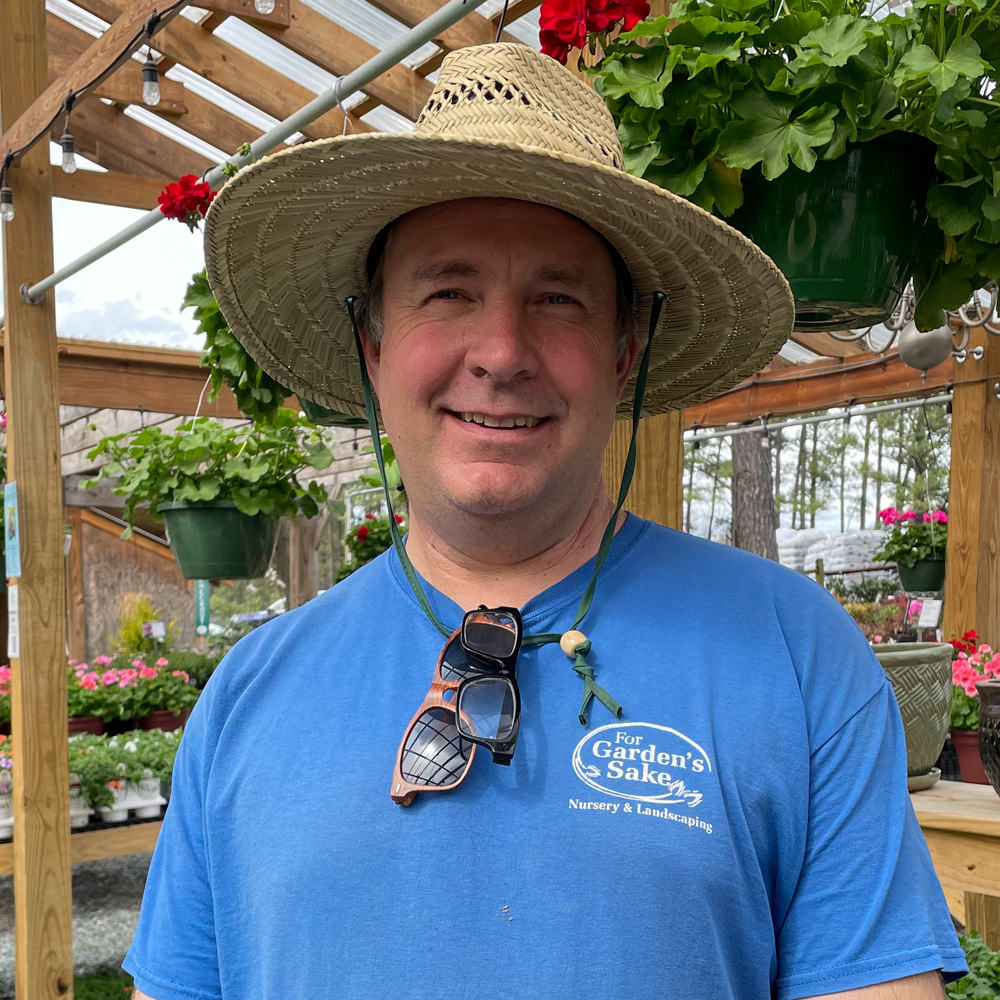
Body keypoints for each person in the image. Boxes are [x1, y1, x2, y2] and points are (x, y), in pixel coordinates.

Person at [125, 42, 965, 1000]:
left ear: (622, 348)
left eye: (557, 300)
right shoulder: (248, 697)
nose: (501, 352)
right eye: (449, 292)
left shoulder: (795, 654)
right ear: (373, 342)